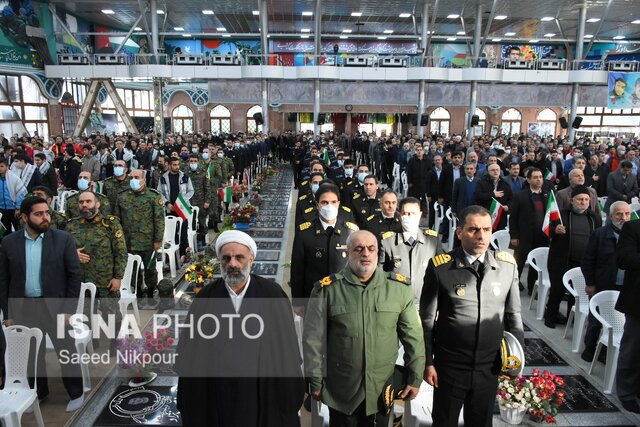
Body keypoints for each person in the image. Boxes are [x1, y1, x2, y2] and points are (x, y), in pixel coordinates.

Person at [175, 230, 305, 426]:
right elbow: (191, 355)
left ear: (251, 260)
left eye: (239, 257)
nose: (232, 264)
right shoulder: (205, 299)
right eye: (226, 258)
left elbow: (286, 351)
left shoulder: (272, 295)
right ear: (219, 261)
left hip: (260, 392)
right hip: (217, 394)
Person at [303, 230, 425, 426]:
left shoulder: (398, 289)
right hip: (342, 390)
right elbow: (312, 341)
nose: (365, 254)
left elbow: (414, 337)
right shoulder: (327, 290)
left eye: (371, 248)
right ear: (348, 252)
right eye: (358, 249)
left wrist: (415, 377)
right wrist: (315, 382)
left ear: (378, 252)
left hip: (381, 389)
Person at [420, 205, 524, 427]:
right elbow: (427, 320)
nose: (481, 236)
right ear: (459, 233)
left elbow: (514, 317)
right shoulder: (441, 267)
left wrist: (516, 361)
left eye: (486, 230)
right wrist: (427, 362)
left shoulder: (506, 266)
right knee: (444, 421)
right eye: (473, 230)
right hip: (450, 367)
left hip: (489, 367)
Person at [0, 196, 85, 411]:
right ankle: (39, 391)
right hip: (24, 307)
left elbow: (75, 276)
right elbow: (3, 280)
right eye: (39, 214)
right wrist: (8, 313)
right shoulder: (9, 243)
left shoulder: (62, 239)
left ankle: (76, 392)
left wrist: (68, 310)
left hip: (56, 308)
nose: (45, 217)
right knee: (31, 355)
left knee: (65, 351)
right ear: (25, 217)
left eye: (47, 212)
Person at [66, 191, 127, 351]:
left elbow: (120, 252)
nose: (84, 205)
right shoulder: (72, 225)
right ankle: (92, 342)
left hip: (106, 279)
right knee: (86, 314)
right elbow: (63, 251)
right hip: (82, 280)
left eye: (88, 201)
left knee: (112, 313)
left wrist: (118, 277)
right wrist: (74, 254)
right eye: (81, 202)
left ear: (97, 204)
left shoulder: (110, 224)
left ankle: (116, 341)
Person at [290, 183, 358, 315]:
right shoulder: (304, 232)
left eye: (333, 202)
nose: (329, 206)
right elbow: (297, 270)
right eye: (324, 202)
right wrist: (297, 302)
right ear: (317, 205)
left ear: (339, 203)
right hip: (313, 299)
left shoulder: (350, 231)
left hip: (343, 300)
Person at [545, 185, 602, 328]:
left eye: (586, 199)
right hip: (561, 260)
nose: (583, 202)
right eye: (580, 199)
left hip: (584, 263)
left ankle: (574, 320)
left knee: (576, 294)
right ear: (572, 200)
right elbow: (546, 230)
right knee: (557, 291)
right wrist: (555, 230)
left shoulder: (594, 217)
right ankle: (550, 317)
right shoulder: (561, 215)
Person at [580, 201, 630, 362]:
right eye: (619, 214)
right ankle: (590, 349)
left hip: (626, 287)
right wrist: (590, 283)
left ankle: (610, 351)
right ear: (610, 216)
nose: (623, 218)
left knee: (620, 323)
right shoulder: (600, 234)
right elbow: (588, 260)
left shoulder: (634, 235)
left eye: (627, 214)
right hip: (602, 285)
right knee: (596, 321)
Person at [115, 169, 165, 304]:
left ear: (144, 180)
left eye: (137, 177)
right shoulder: (122, 196)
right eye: (131, 177)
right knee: (132, 270)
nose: (133, 180)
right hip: (128, 241)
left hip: (147, 241)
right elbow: (117, 220)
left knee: (150, 269)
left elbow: (159, 219)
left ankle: (150, 292)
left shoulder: (153, 196)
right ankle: (137, 292)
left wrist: (158, 240)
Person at [380, 196, 441, 306]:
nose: (410, 217)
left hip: (424, 304)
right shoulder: (388, 242)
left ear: (420, 215)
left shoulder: (432, 241)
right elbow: (380, 275)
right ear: (399, 215)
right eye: (406, 213)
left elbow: (441, 275)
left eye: (413, 214)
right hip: (396, 304)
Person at [509, 168, 549, 294]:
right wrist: (513, 236)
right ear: (528, 179)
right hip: (523, 236)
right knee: (518, 263)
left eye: (540, 177)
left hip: (541, 237)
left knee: (536, 266)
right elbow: (513, 217)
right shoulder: (520, 196)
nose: (539, 179)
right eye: (535, 177)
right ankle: (512, 287)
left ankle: (532, 288)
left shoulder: (548, 195)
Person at [615, 215, 640, 414]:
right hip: (637, 301)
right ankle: (626, 393)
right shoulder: (632, 228)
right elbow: (624, 259)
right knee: (632, 350)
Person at [475, 163, 512, 230]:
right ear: (488, 172)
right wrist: (493, 194)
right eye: (493, 170)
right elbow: (478, 197)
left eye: (497, 170)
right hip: (485, 214)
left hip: (501, 216)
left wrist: (508, 206)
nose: (495, 172)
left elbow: (511, 199)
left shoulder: (505, 184)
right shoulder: (481, 183)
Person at [187, 154, 213, 248]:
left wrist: (207, 201)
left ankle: (202, 241)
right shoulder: (185, 173)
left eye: (195, 161)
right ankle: (193, 243)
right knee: (191, 223)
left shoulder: (203, 172)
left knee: (202, 221)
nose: (193, 163)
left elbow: (207, 188)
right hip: (188, 202)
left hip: (201, 201)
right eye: (191, 161)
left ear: (198, 162)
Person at [0, 157, 26, 236]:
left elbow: (21, 193)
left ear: (7, 167)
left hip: (13, 209)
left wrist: (18, 208)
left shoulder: (14, 178)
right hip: (1, 209)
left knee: (18, 229)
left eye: (1, 166)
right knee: (5, 230)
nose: (0, 168)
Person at [406, 144, 432, 222]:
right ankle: (413, 212)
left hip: (425, 182)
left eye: (421, 150)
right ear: (416, 151)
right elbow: (409, 171)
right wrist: (409, 182)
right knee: (413, 198)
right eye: (418, 150)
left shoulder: (428, 160)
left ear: (423, 151)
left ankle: (424, 213)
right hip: (414, 182)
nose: (419, 151)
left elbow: (430, 171)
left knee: (423, 198)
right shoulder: (412, 160)